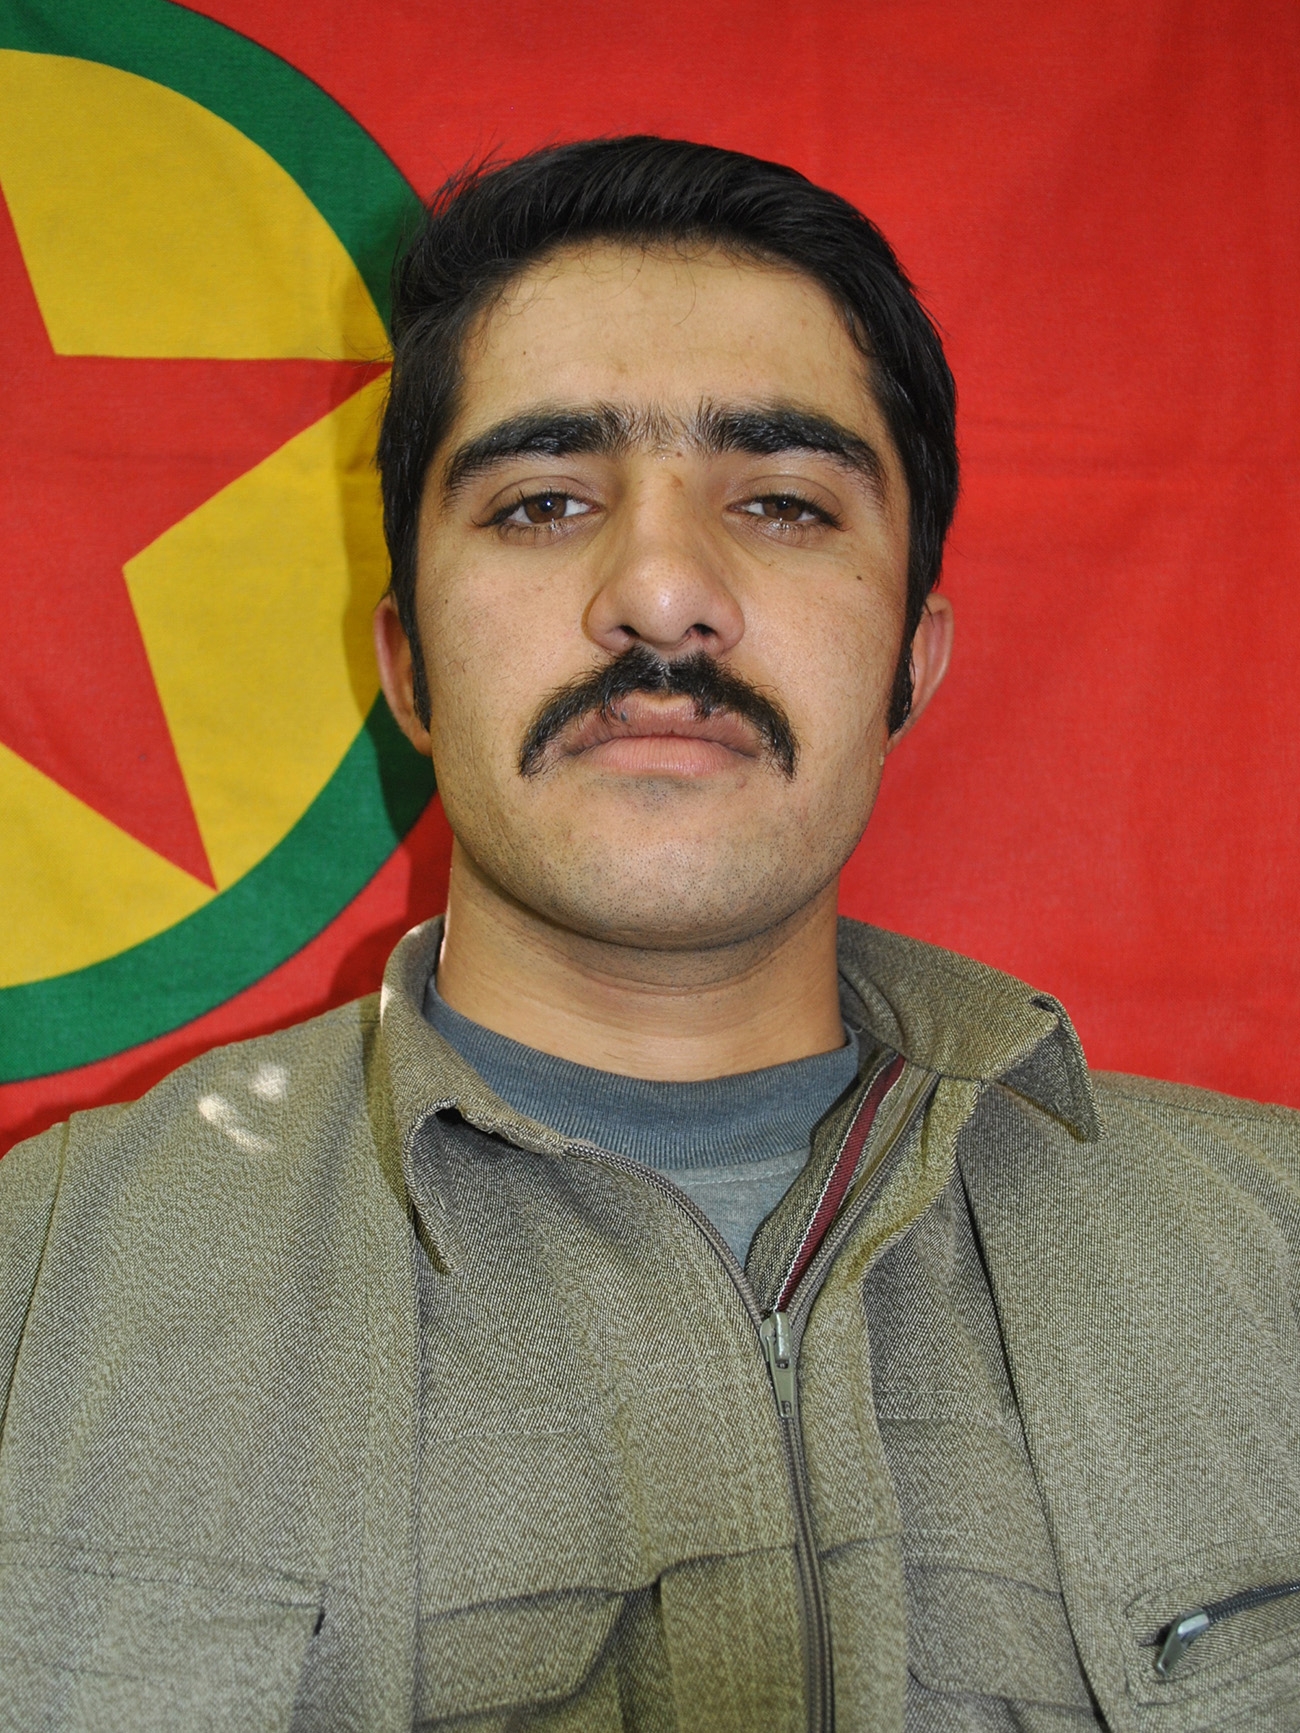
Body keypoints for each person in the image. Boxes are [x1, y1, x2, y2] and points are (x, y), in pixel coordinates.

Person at [1, 137, 1297, 1733]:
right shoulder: (36, 1290)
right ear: (408, 667)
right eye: (544, 502)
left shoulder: (1277, 1261)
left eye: (784, 502)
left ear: (913, 658)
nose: (666, 592)